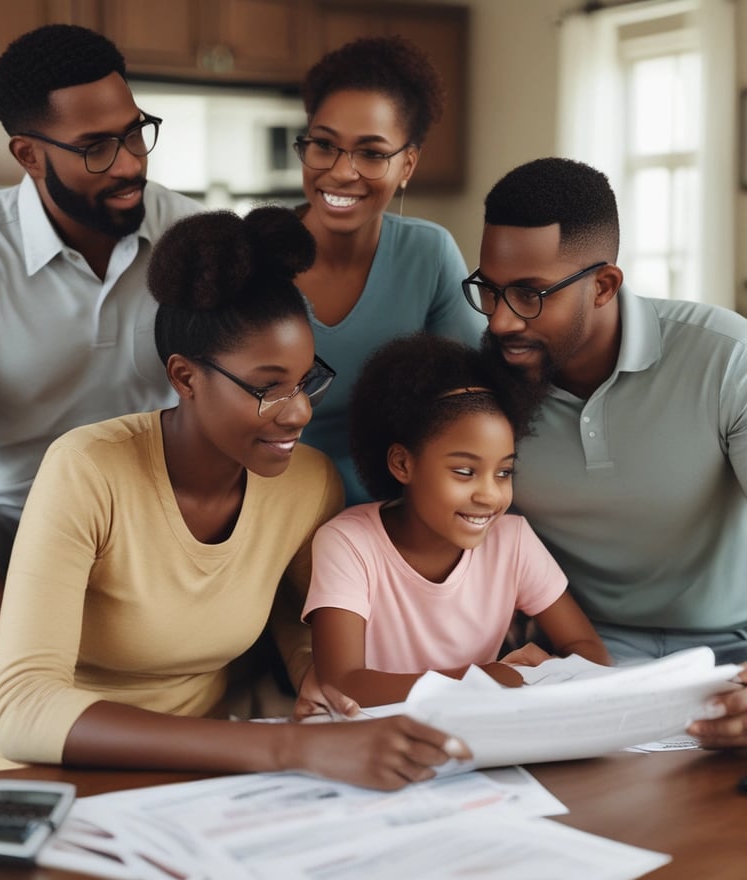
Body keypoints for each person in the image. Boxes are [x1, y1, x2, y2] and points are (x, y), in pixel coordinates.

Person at [0, 208, 470, 789]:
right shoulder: (87, 471)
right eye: (267, 389)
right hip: (60, 766)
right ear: (185, 379)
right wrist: (289, 747)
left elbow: (299, 616)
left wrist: (312, 671)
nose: (299, 413)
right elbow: (23, 708)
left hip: (222, 771)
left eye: (307, 381)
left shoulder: (307, 482)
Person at [0, 24, 203, 691]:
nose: (131, 163)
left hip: (160, 534)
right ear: (29, 156)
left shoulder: (191, 237)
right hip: (11, 539)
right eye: (96, 148)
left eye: (135, 132)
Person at [463, 156, 747, 673]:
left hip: (736, 645)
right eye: (490, 289)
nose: (501, 321)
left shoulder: (726, 358)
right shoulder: (484, 381)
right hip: (586, 652)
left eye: (530, 294)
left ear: (603, 287)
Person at [302, 332, 611, 706]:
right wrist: (481, 679)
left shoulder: (512, 541)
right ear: (403, 463)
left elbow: (589, 649)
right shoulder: (349, 542)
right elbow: (343, 684)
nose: (490, 495)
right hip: (379, 744)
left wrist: (546, 674)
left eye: (503, 472)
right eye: (465, 472)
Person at [292, 35, 485, 505]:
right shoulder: (251, 254)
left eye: (372, 153)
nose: (341, 172)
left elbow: (470, 398)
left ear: (407, 165)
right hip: (268, 511)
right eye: (324, 145)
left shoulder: (429, 253)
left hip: (390, 516)